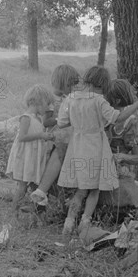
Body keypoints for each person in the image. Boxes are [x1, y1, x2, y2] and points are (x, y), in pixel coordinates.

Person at [57, 66, 138, 239]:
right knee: (95, 189)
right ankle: (85, 222)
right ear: (103, 85)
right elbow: (117, 117)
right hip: (96, 147)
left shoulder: (71, 98)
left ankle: (68, 223)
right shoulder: (99, 101)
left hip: (77, 147)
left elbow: (61, 123)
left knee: (81, 189)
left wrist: (78, 123)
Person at [0, 84, 55, 244]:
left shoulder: (37, 118)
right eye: (46, 104)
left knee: (37, 188)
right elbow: (22, 137)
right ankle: (12, 214)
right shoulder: (26, 118)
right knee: (22, 187)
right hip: (25, 158)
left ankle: (39, 217)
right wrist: (41, 135)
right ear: (38, 102)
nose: (48, 108)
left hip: (32, 157)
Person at [29, 64, 80, 208]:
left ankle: (55, 197)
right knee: (58, 149)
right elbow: (46, 121)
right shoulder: (53, 101)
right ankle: (41, 193)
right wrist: (62, 120)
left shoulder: (75, 98)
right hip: (55, 134)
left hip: (70, 135)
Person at [102, 79, 138, 211]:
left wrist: (120, 157)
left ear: (116, 101)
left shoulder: (131, 121)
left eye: (106, 98)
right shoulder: (104, 115)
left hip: (121, 174)